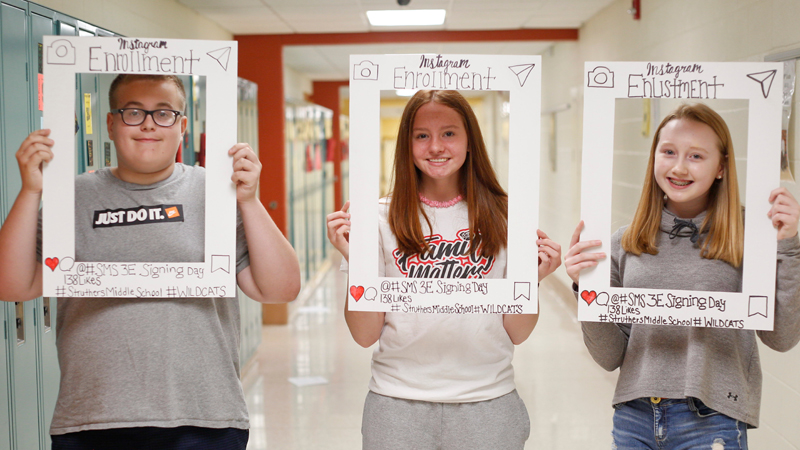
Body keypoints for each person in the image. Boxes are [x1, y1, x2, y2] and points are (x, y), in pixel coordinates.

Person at [0, 74, 301, 450]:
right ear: (110, 123)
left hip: (204, 419)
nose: (147, 124)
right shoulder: (72, 197)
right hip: (92, 419)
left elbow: (281, 289)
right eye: (132, 112)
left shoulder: (218, 193)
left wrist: (250, 200)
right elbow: (12, 284)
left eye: (163, 113)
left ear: (182, 127)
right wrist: (31, 191)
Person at [326, 90, 562, 450]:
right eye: (422, 135)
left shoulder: (507, 216)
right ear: (407, 144)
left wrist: (532, 281)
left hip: (488, 402)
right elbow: (364, 334)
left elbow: (517, 332)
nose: (435, 146)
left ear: (471, 142)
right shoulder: (377, 218)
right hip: (396, 405)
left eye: (449, 133)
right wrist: (357, 264)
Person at [564, 103, 800, 449]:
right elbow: (609, 356)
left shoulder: (750, 235)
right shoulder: (624, 242)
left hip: (712, 417)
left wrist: (790, 247)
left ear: (721, 167)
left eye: (696, 156)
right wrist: (585, 289)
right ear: (654, 157)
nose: (678, 167)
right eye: (669, 152)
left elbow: (781, 337)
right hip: (635, 418)